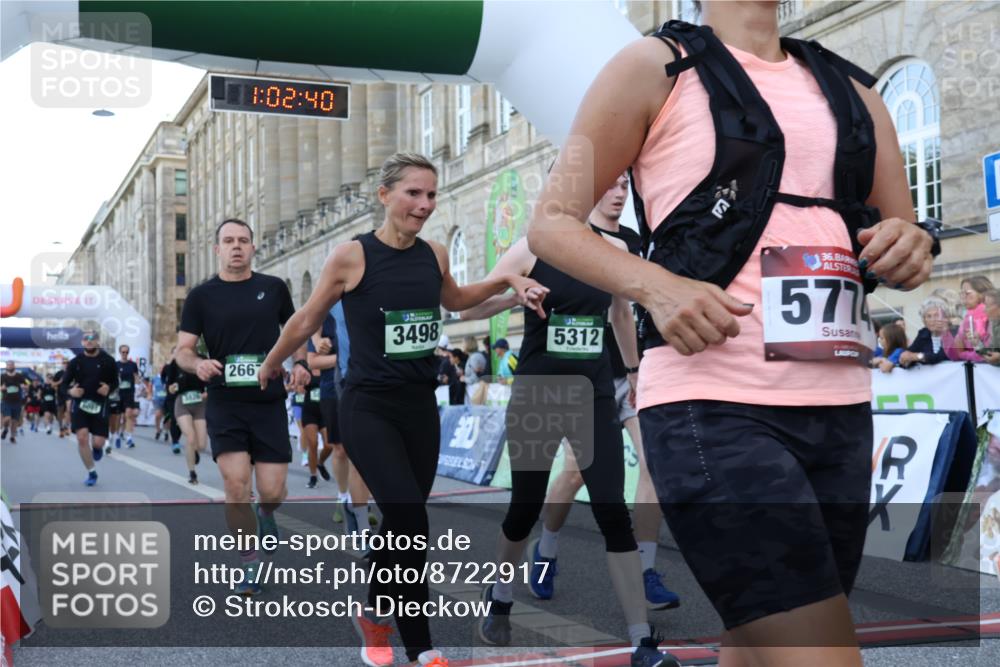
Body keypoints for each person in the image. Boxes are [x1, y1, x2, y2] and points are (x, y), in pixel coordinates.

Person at [526, 2, 937, 665]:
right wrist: (657, 286)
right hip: (711, 406)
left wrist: (912, 243)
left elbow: (905, 232)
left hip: (839, 411)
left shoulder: (854, 86)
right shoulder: (649, 67)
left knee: (755, 642)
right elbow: (551, 222)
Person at [258, 152, 545, 667]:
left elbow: (458, 302)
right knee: (411, 520)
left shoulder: (434, 253)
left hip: (420, 405)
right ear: (385, 195)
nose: (425, 204)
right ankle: (420, 647)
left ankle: (372, 613)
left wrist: (510, 288)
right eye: (414, 193)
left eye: (432, 195)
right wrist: (274, 363)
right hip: (367, 405)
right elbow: (307, 317)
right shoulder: (352, 256)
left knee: (401, 521)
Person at [461, 194, 670, 667]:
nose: (610, 192)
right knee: (525, 506)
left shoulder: (608, 251)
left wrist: (634, 373)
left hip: (593, 392)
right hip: (539, 392)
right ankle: (500, 595)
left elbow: (619, 313)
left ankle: (641, 639)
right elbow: (469, 309)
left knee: (612, 509)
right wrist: (515, 290)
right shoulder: (535, 245)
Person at [523, 174, 680, 611]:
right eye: (608, 186)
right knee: (574, 473)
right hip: (582, 380)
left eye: (623, 188)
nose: (617, 194)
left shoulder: (631, 241)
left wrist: (636, 369)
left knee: (654, 463)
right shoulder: (566, 240)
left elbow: (630, 310)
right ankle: (546, 550)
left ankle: (646, 569)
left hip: (628, 375)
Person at [177, 217, 311, 596]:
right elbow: (183, 350)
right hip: (225, 402)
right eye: (228, 241)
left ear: (253, 247)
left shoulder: (272, 289)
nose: (236, 246)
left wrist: (300, 362)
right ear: (217, 249)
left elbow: (297, 330)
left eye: (243, 240)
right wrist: (197, 363)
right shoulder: (201, 297)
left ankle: (266, 514)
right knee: (236, 487)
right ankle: (250, 566)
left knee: (272, 491)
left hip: (268, 402)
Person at [64, 331, 119, 486]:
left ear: (97, 341)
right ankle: (92, 472)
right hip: (80, 404)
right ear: (82, 343)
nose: (88, 341)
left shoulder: (108, 361)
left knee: (98, 443)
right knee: (82, 438)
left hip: (100, 405)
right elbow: (63, 385)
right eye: (85, 339)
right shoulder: (76, 362)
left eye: (92, 339)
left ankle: (97, 448)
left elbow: (116, 382)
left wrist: (109, 388)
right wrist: (70, 391)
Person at [167, 353, 209, 484]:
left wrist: (206, 394)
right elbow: (169, 386)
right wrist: (172, 388)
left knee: (201, 445)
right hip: (182, 403)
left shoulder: (203, 359)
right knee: (190, 437)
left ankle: (194, 451)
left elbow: (212, 383)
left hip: (200, 404)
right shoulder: (176, 362)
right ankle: (192, 473)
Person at [898, 298, 957, 368]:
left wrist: (917, 356)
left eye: (936, 315)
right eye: (929, 316)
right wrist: (905, 359)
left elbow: (942, 356)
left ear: (945, 317)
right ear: (924, 320)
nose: (933, 320)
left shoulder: (954, 331)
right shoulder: (923, 333)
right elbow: (910, 352)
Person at [948, 275, 995, 362]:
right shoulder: (967, 318)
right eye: (961, 293)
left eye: (967, 293)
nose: (963, 297)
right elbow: (953, 355)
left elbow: (988, 355)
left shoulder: (992, 317)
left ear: (982, 294)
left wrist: (963, 354)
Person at [115, 344, 141, 448]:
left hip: (129, 393)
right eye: (123, 352)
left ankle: (129, 438)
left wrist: (138, 384)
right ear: (120, 353)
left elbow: (136, 377)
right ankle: (117, 434)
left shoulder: (132, 365)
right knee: (118, 417)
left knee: (129, 414)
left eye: (126, 352)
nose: (125, 354)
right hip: (118, 394)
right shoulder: (115, 365)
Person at [1, 362, 27, 444]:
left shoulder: (19, 376)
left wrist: (24, 386)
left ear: (14, 366)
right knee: (7, 418)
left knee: (15, 421)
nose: (10, 367)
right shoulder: (3, 376)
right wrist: (2, 388)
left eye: (11, 365)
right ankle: (5, 428)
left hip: (17, 401)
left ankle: (12, 437)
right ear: (6, 367)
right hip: (6, 401)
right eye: (8, 365)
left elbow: (26, 385)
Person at [981, 289, 1000, 366]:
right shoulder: (995, 323)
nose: (984, 310)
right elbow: (991, 354)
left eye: (987, 306)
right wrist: (976, 343)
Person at [53, 359, 70, 437]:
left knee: (69, 410)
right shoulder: (59, 373)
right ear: (62, 364)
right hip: (60, 394)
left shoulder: (72, 372)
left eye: (67, 363)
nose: (65, 364)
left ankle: (66, 426)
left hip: (69, 394)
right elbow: (53, 384)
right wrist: (59, 382)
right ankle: (61, 428)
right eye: (64, 363)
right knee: (60, 412)